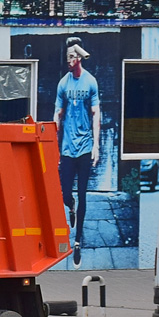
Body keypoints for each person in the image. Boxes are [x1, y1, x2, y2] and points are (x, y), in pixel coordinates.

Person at [55, 36, 100, 266]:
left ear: (79, 58)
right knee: (65, 191)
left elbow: (95, 114)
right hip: (67, 148)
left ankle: (78, 241)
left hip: (84, 147)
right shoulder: (63, 84)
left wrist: (96, 145)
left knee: (83, 193)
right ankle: (69, 206)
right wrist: (54, 141)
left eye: (72, 56)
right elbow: (58, 114)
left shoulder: (90, 82)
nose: (69, 60)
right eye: (67, 57)